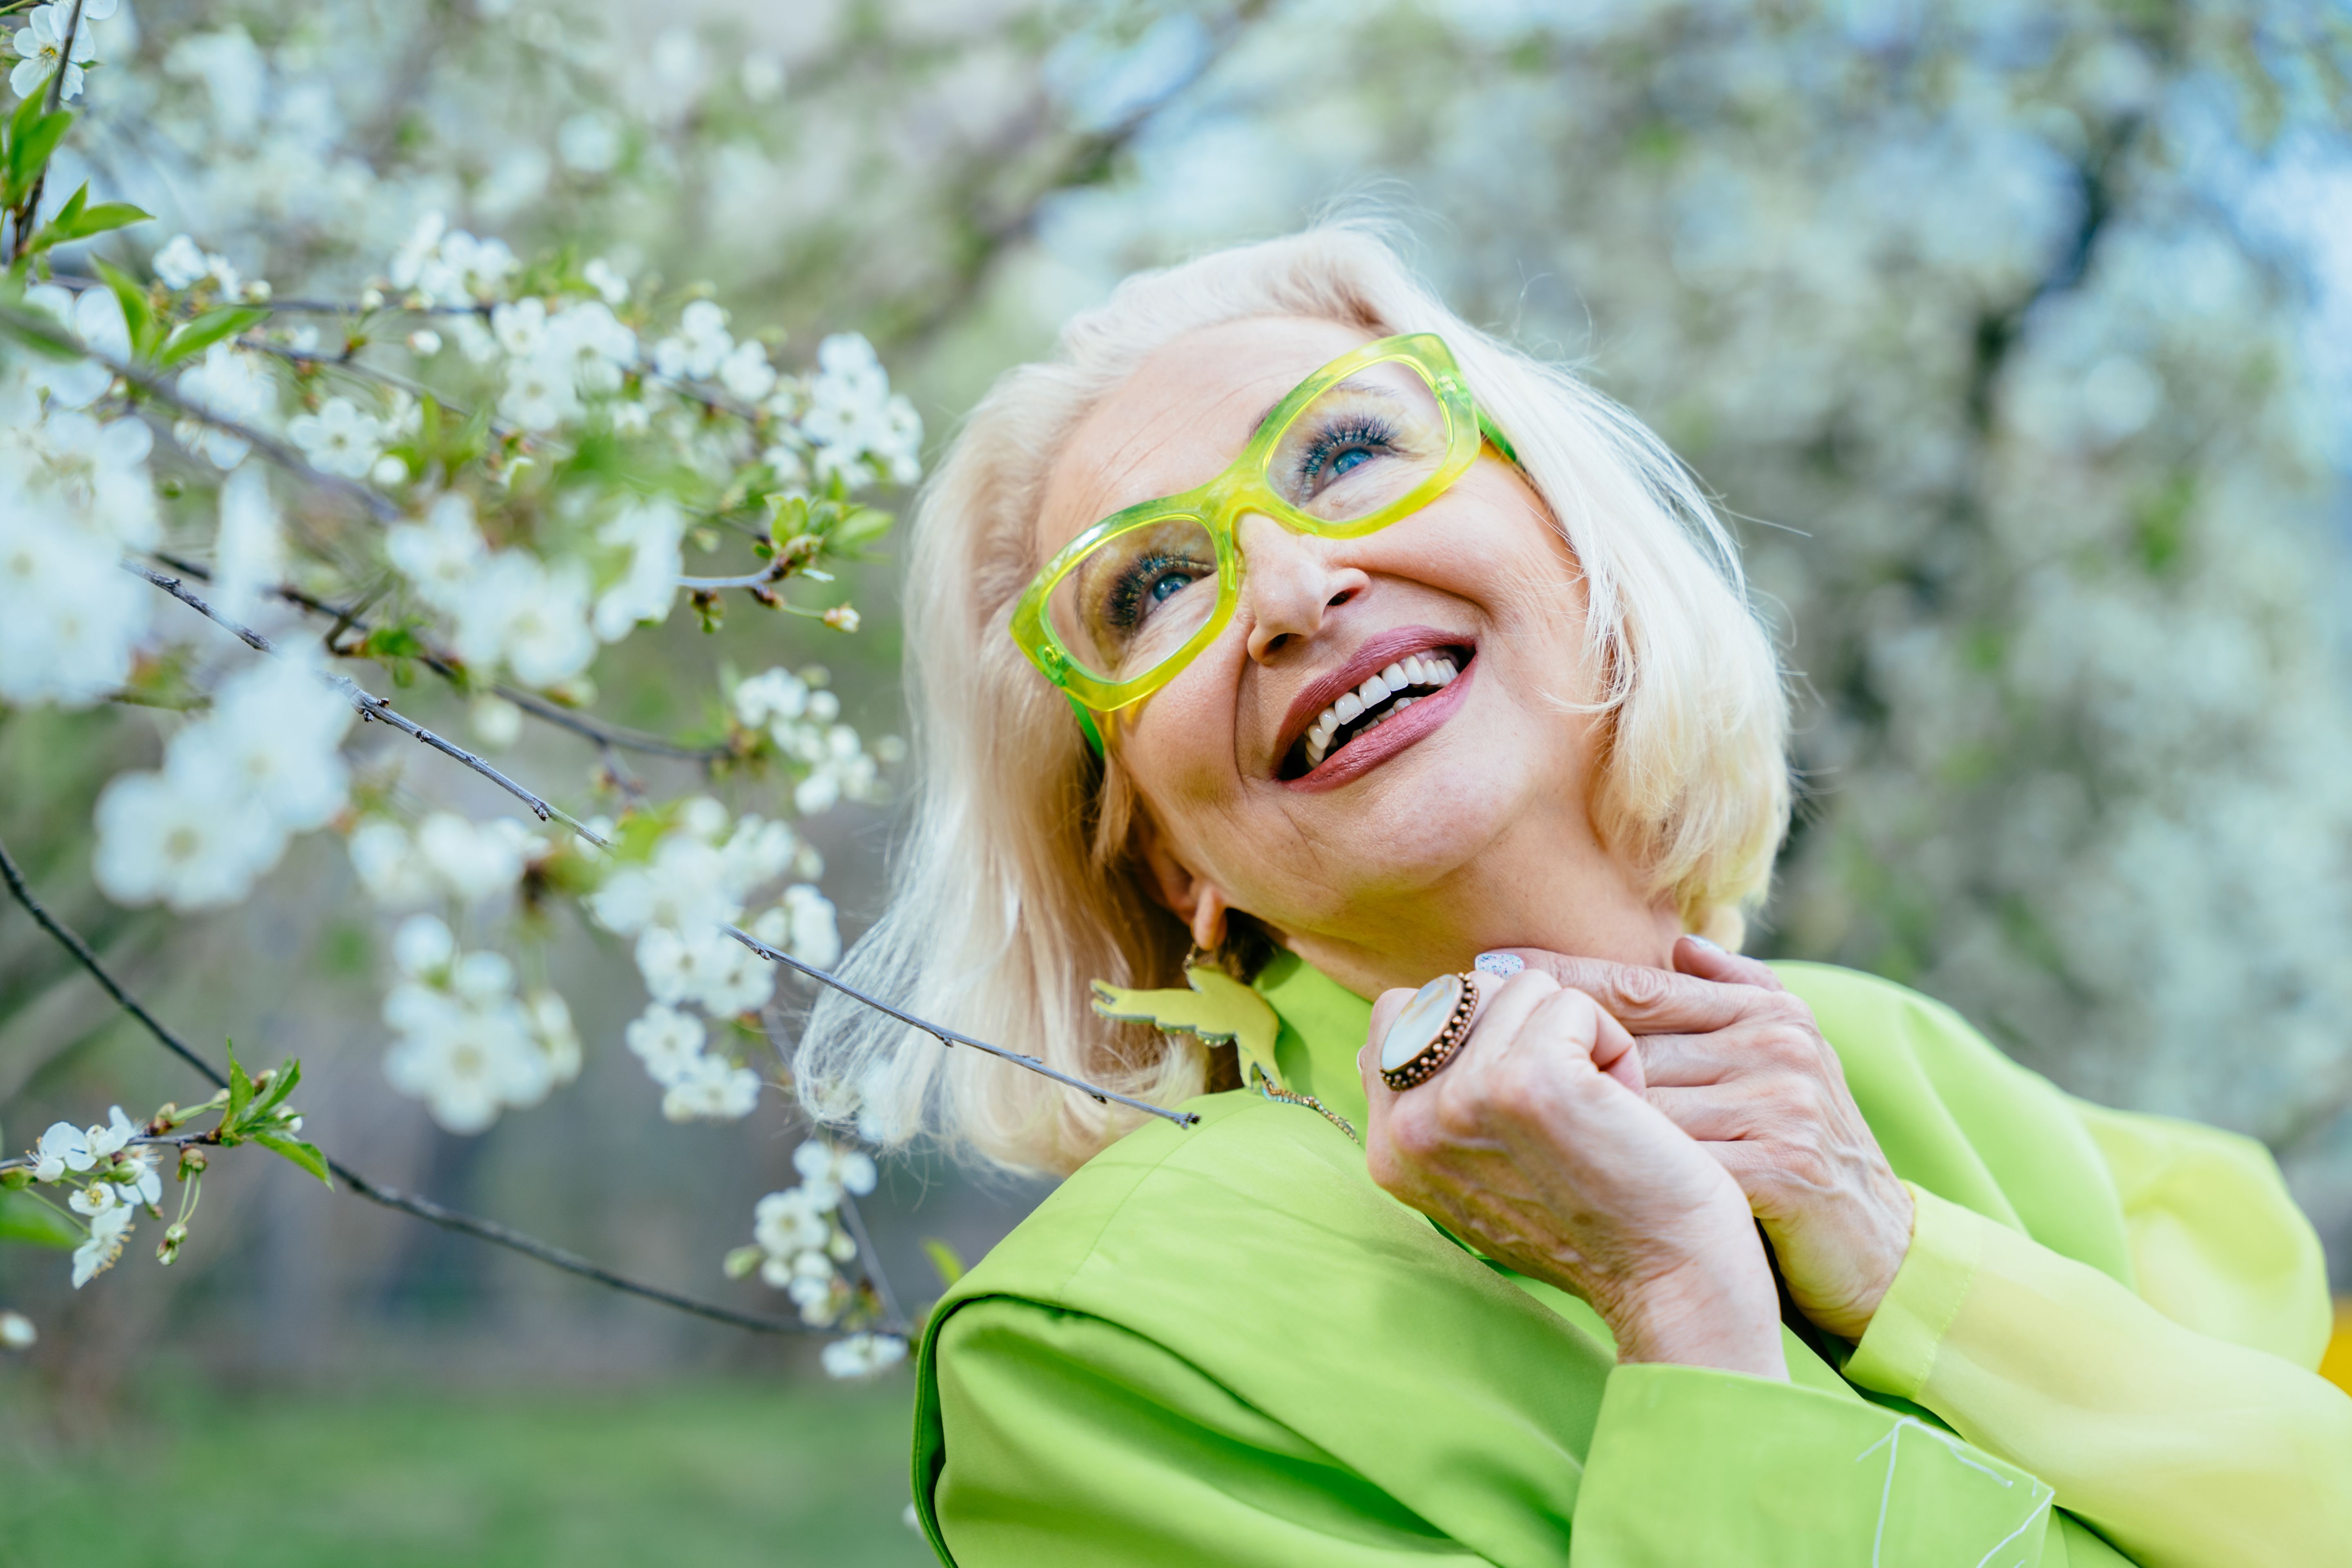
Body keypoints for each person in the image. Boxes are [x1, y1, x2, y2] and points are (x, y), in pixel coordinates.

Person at [797, 227, 2352, 1566]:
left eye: (1344, 453)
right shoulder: (1099, 1363)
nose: (1286, 589)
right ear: (1159, 856)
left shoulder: (1918, 1071)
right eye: (1154, 589)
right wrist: (1681, 1308)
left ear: (1577, 551)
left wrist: (1893, 1255)